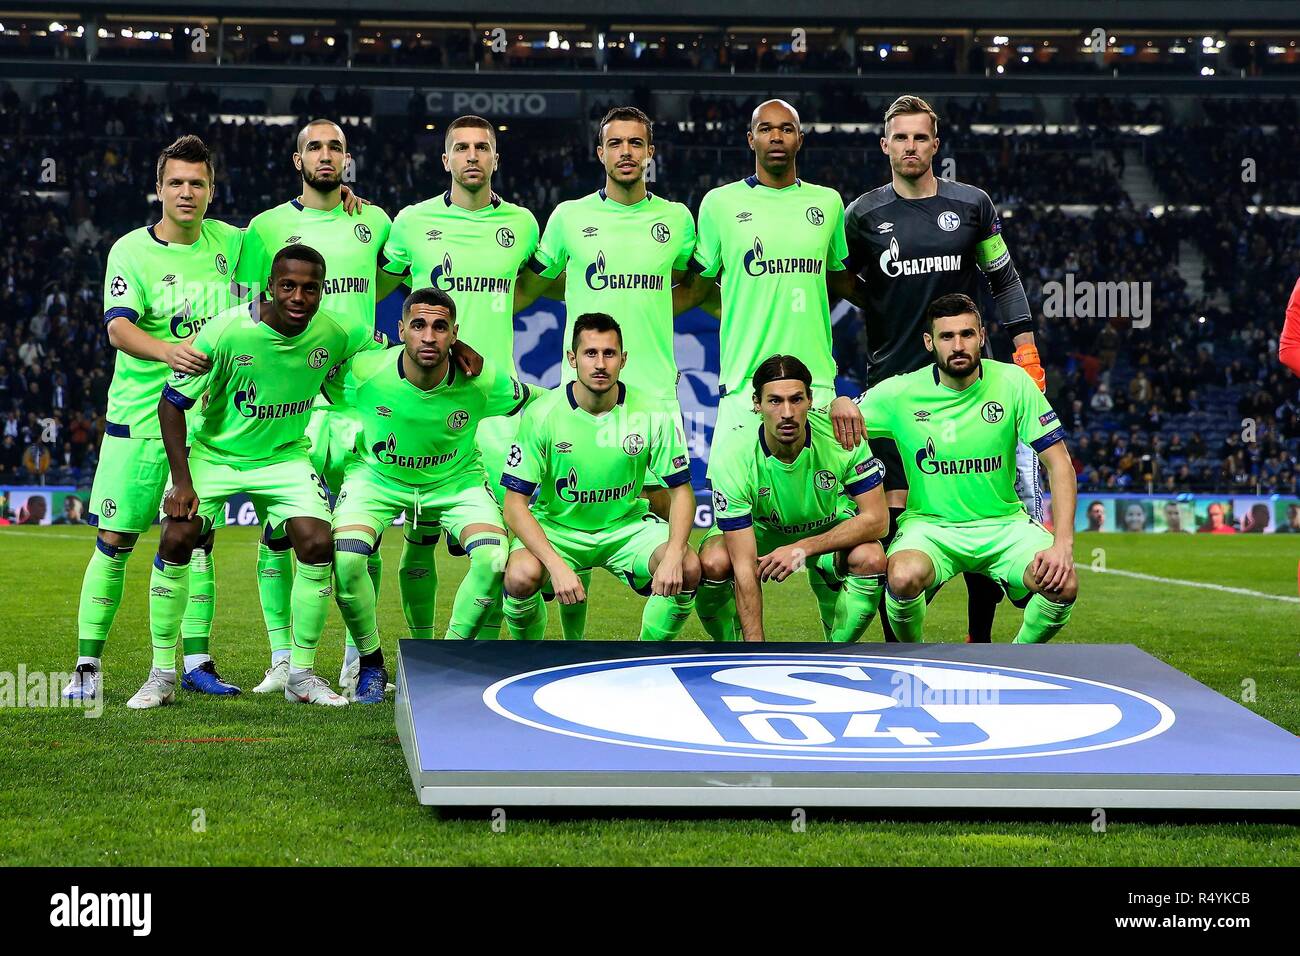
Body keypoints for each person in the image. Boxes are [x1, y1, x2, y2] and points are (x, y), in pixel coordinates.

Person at [837, 94, 1045, 646]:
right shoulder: (862, 216)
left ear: (935, 144)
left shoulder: (973, 205)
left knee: (980, 513)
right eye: (899, 137)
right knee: (895, 527)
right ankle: (901, 651)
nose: (910, 146)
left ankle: (980, 646)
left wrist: (1025, 347)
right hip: (892, 390)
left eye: (920, 137)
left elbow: (1003, 278)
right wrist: (880, 301)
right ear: (885, 146)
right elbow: (839, 283)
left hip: (966, 385)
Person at [131, 244, 376, 709]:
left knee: (318, 543)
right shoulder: (226, 330)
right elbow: (172, 402)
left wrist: (457, 348)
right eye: (288, 286)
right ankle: (161, 673)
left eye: (310, 288)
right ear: (270, 286)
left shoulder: (338, 329)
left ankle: (300, 675)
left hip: (283, 457)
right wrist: (182, 482)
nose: (299, 297)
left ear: (322, 290)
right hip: (216, 454)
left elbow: (391, 346)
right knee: (176, 538)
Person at [62, 135, 244, 704]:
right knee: (114, 539)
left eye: (197, 183)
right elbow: (117, 328)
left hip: (208, 426)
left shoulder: (236, 245)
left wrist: (346, 198)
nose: (186, 193)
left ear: (212, 191)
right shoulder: (130, 251)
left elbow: (300, 247)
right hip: (138, 421)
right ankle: (87, 666)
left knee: (197, 539)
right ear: (159, 189)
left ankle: (196, 661)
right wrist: (169, 351)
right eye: (176, 183)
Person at [514, 105, 699, 639]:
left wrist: (656, 311)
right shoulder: (570, 217)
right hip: (584, 395)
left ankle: (651, 651)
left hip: (655, 394)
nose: (625, 152)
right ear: (600, 153)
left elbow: (694, 283)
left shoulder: (676, 220)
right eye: (615, 143)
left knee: (674, 543)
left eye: (635, 143)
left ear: (650, 153)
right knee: (574, 510)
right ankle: (566, 644)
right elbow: (530, 284)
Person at [234, 117, 397, 695]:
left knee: (361, 531)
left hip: (360, 400)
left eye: (335, 147)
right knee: (278, 531)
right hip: (292, 402)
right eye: (314, 147)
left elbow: (390, 280)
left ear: (346, 160)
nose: (325, 156)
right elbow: (247, 311)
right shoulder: (265, 228)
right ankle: (283, 657)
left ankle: (358, 657)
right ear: (296, 159)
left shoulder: (374, 221)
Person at [377, 114, 542, 648]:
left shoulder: (521, 225)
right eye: (462, 148)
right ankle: (424, 650)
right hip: (425, 401)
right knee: (420, 536)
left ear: (496, 157)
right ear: (445, 159)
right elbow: (374, 277)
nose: (473, 156)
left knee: (499, 540)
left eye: (483, 148)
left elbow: (539, 285)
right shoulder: (411, 222)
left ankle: (479, 651)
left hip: (494, 410)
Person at [856, 293, 1078, 643]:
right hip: (931, 528)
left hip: (1003, 526)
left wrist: (1062, 544)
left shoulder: (1013, 382)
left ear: (982, 337)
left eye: (966, 334)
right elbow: (829, 426)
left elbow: (1059, 463)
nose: (958, 345)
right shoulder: (900, 393)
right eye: (947, 337)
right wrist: (840, 400)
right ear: (930, 342)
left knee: (1063, 584)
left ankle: (1013, 664)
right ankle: (914, 658)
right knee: (902, 576)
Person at [500, 313, 700, 641]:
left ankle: (646, 657)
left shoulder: (651, 412)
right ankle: (528, 659)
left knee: (689, 567)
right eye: (590, 353)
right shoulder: (542, 415)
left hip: (626, 528)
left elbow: (681, 493)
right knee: (521, 575)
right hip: (559, 530)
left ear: (623, 360)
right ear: (572, 358)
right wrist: (556, 565)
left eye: (609, 354)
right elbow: (514, 506)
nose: (600, 363)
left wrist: (675, 552)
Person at [700, 354, 888, 643]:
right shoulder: (733, 452)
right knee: (714, 562)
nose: (787, 412)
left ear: (811, 400)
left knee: (871, 557)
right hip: (760, 535)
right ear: (756, 404)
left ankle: (835, 654)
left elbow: (878, 521)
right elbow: (743, 565)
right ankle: (734, 649)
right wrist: (755, 649)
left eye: (796, 400)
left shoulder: (840, 434)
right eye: (775, 401)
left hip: (825, 530)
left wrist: (802, 548)